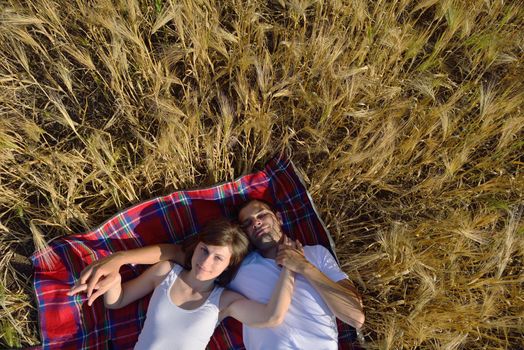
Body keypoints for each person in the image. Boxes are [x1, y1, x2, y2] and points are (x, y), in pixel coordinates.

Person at [72, 200, 365, 349]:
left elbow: (356, 317)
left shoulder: (316, 255)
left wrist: (301, 266)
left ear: (277, 217)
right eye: (248, 223)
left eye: (262, 214)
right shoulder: (238, 265)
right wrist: (118, 260)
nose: (257, 223)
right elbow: (173, 253)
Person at [68, 218, 295, 350]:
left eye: (218, 258)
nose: (205, 262)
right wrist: (115, 277)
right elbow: (118, 301)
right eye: (204, 250)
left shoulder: (224, 300)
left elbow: (271, 317)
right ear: (196, 247)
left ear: (229, 265)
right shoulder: (166, 272)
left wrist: (290, 268)